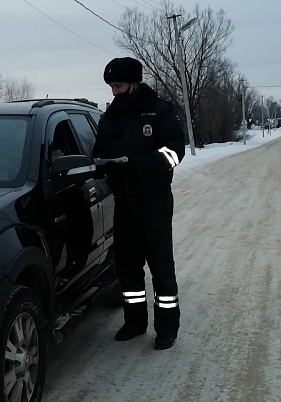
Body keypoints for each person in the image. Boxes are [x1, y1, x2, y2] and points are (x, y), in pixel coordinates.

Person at [92, 57, 185, 350]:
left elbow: (175, 152)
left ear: (133, 83)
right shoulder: (109, 118)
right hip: (124, 201)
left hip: (154, 200)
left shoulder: (160, 111)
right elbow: (99, 153)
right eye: (111, 87)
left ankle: (166, 328)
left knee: (160, 266)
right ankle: (134, 322)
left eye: (118, 85)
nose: (114, 92)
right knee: (128, 267)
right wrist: (103, 166)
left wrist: (141, 165)